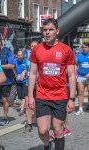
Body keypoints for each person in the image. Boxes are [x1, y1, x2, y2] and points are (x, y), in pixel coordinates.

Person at [28, 18, 76, 150]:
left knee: (58, 129)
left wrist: (71, 99)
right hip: (42, 95)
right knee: (42, 130)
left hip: (60, 96)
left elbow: (71, 75)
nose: (47, 33)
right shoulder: (37, 49)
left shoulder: (66, 50)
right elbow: (32, 73)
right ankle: (46, 144)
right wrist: (31, 96)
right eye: (45, 30)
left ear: (57, 31)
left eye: (50, 30)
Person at [75, 42, 89, 115]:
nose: (84, 49)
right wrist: (75, 73)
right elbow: (76, 64)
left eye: (86, 47)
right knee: (80, 92)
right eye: (83, 47)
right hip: (80, 76)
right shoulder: (79, 55)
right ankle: (80, 109)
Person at [13, 50, 28, 116]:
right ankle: (24, 107)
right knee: (20, 96)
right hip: (18, 80)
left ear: (24, 55)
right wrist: (15, 73)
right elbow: (12, 66)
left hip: (25, 81)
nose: (19, 57)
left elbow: (29, 68)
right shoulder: (15, 60)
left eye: (20, 55)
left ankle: (22, 109)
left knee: (24, 96)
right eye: (18, 55)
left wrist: (25, 72)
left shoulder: (26, 61)